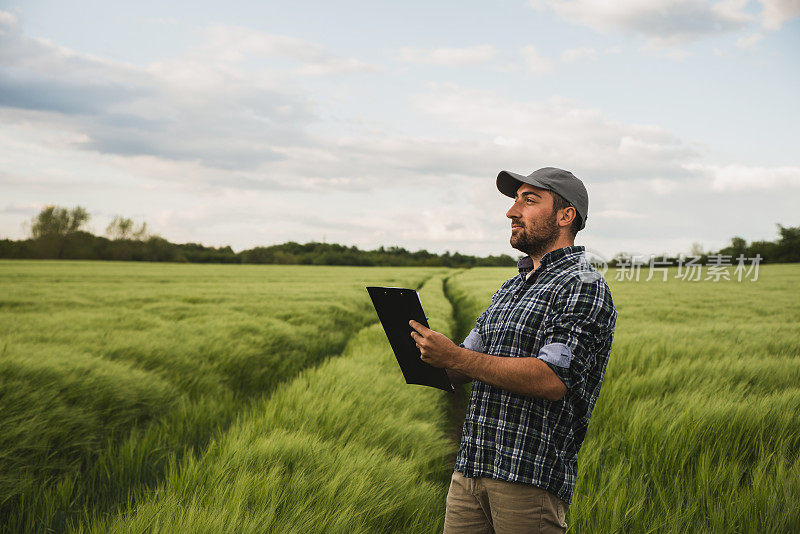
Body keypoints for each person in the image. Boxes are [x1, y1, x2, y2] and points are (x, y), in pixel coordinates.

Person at [409, 167, 617, 534]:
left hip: (527, 479)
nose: (511, 211)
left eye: (529, 200)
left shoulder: (582, 285)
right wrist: (425, 347)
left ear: (565, 216)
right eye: (514, 200)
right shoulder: (510, 288)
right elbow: (461, 363)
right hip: (470, 471)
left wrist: (455, 357)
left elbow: (552, 380)